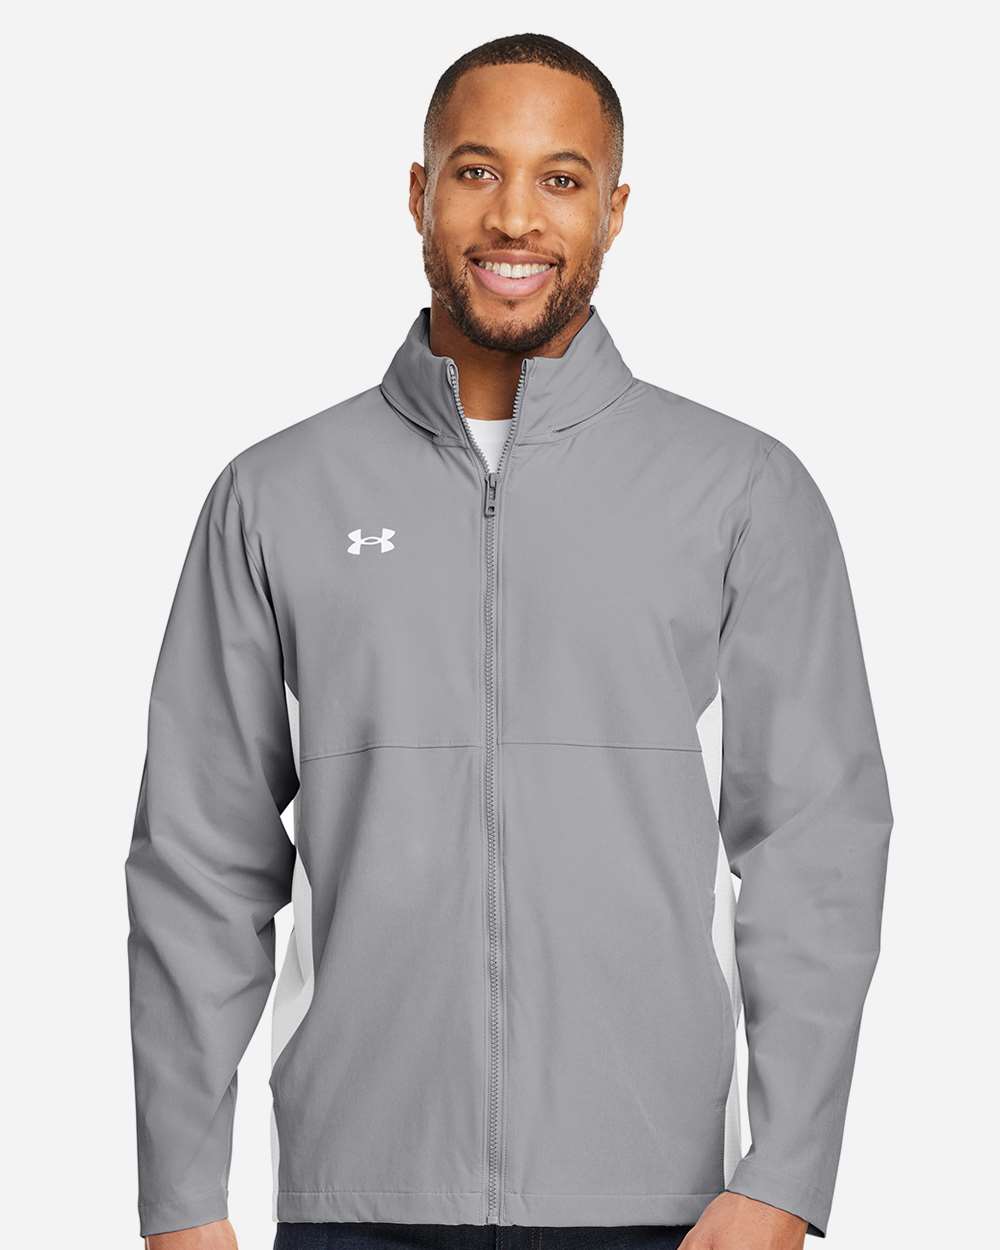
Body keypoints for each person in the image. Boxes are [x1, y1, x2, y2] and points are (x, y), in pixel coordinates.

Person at [125, 32, 894, 1250]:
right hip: (357, 1195)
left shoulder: (742, 490)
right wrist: (180, 1200)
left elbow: (815, 843)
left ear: (615, 208)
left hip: (659, 1207)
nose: (515, 217)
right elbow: (199, 857)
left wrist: (785, 1173)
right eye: (476, 171)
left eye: (561, 177)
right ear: (418, 192)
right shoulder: (275, 495)